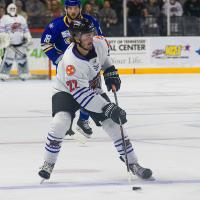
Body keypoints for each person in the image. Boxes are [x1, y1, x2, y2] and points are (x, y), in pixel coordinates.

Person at [38, 18, 153, 181]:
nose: (89, 37)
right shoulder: (71, 62)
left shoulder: (100, 43)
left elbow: (105, 58)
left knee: (113, 124)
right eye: (84, 35)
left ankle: (133, 163)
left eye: (90, 33)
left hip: (92, 88)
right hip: (66, 91)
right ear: (75, 38)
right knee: (60, 122)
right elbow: (82, 96)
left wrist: (110, 72)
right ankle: (48, 162)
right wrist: (108, 108)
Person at [41, 0, 103, 138]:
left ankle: (83, 120)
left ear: (79, 8)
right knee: (68, 92)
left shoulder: (90, 21)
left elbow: (100, 39)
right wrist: (59, 60)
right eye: (70, 8)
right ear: (66, 9)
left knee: (92, 90)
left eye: (75, 8)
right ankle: (66, 121)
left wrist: (101, 59)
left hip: (88, 63)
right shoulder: (56, 25)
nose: (73, 11)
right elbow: (45, 43)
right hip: (67, 67)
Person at [0, 3, 32, 81]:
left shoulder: (21, 18)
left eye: (13, 9)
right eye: (11, 9)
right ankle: (3, 75)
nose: (12, 10)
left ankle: (24, 74)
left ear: (16, 9)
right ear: (8, 9)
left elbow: (26, 30)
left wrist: (27, 37)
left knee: (22, 60)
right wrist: (5, 38)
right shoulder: (4, 18)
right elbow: (1, 30)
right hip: (10, 45)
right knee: (8, 60)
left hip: (20, 44)